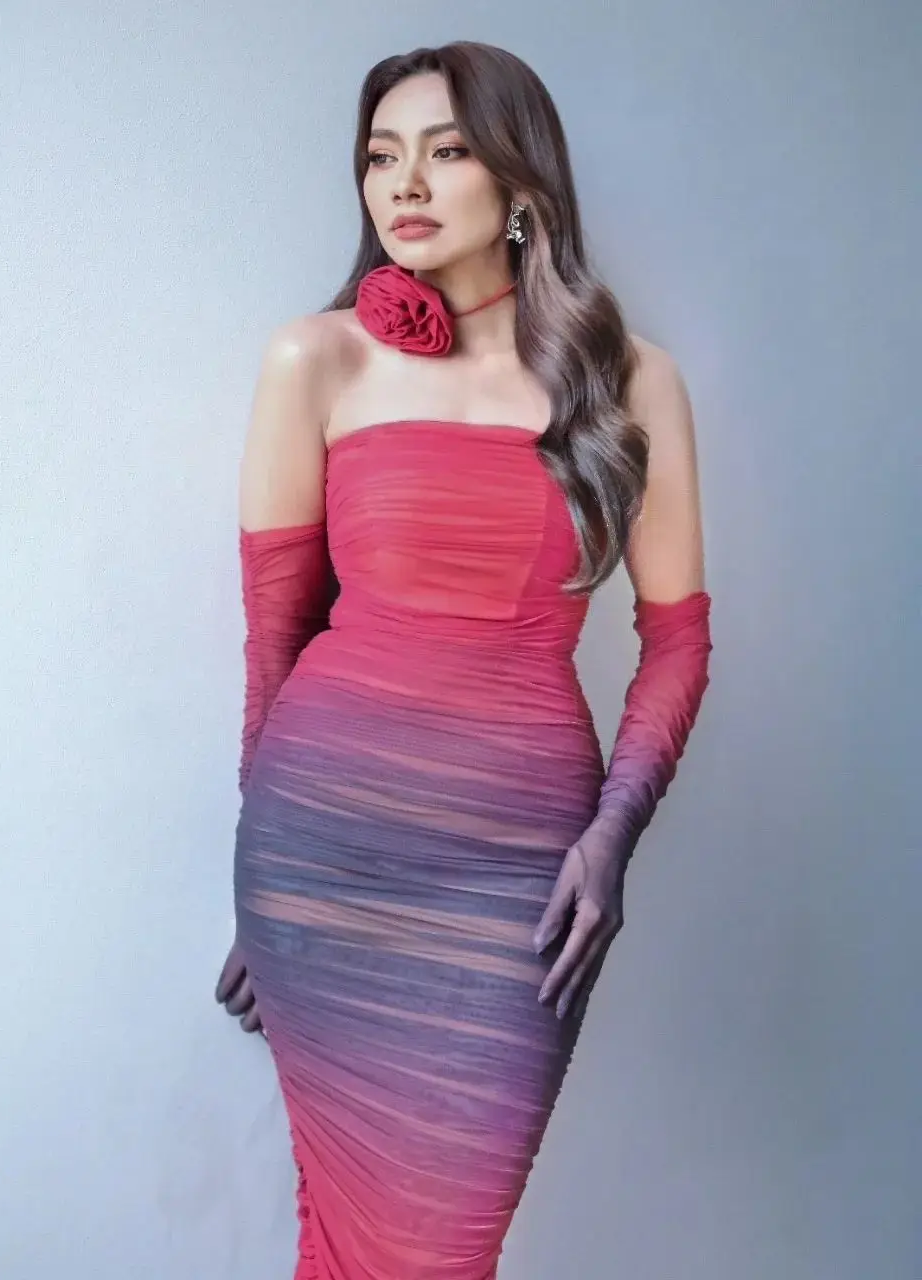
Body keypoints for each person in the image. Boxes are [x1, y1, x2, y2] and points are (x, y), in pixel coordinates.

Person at [214, 39, 712, 1280]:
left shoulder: (631, 379)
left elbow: (677, 641)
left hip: (518, 870)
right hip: (318, 857)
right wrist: (258, 884)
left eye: (444, 151)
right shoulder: (316, 358)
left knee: (441, 1244)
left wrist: (612, 834)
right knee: (348, 1232)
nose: (405, 182)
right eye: (381, 155)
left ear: (521, 181)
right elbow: (272, 640)